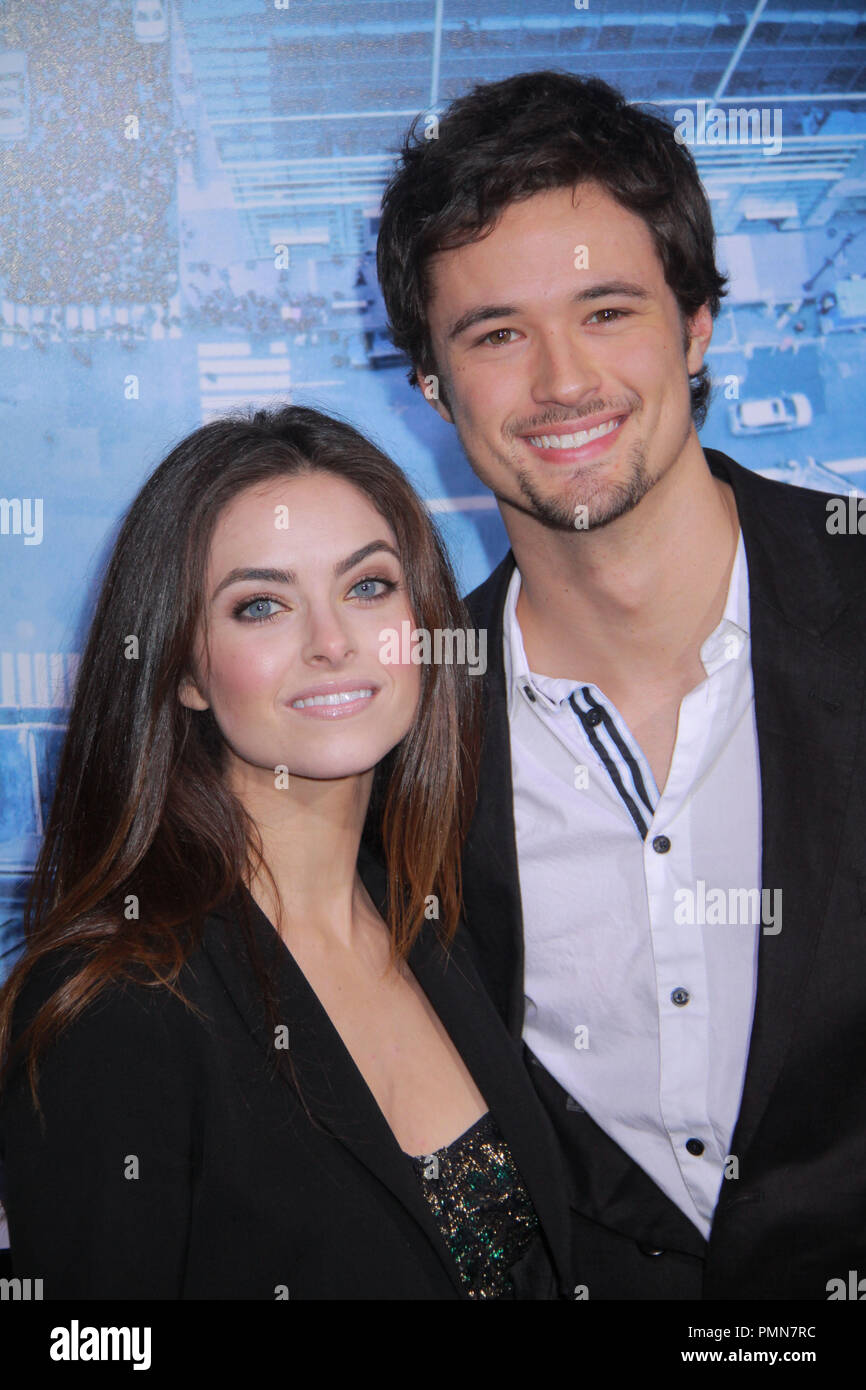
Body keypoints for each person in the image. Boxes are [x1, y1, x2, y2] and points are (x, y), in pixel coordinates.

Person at [375, 69, 866, 1300]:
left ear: (696, 326)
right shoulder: (397, 734)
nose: (559, 383)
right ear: (430, 383)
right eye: (494, 334)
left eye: (606, 311)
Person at [0, 406, 573, 1300]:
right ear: (186, 670)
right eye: (261, 605)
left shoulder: (438, 920)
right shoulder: (117, 1001)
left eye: (369, 587)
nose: (332, 642)